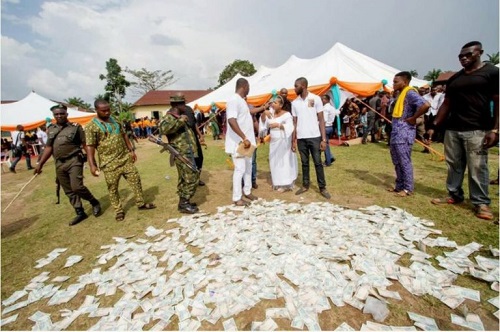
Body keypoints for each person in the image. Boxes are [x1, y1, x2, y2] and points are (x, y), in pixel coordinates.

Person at [431, 41, 499, 221]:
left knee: (477, 166)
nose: (464, 58)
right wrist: (436, 123)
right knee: (453, 164)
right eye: (461, 56)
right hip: (453, 128)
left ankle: (481, 202)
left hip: (477, 128)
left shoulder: (492, 73)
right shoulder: (455, 78)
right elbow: (447, 103)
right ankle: (454, 194)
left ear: (480, 53)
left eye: (468, 55)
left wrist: (495, 129)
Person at [86, 99, 156, 222]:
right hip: (109, 163)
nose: (107, 112)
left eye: (108, 110)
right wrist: (92, 165)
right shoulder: (91, 126)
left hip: (125, 158)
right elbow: (90, 146)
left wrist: (131, 150)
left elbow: (124, 135)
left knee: (135, 180)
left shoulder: (116, 121)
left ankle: (140, 203)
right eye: (104, 111)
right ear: (96, 110)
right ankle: (118, 211)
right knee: (112, 188)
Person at [34, 105, 101, 226]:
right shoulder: (51, 129)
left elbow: (85, 145)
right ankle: (80, 212)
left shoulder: (75, 128)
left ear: (66, 114)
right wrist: (40, 164)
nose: (59, 116)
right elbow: (48, 148)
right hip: (59, 163)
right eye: (56, 114)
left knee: (77, 187)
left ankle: (94, 202)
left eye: (62, 114)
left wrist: (92, 163)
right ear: (54, 116)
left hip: (74, 160)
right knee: (68, 190)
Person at [225, 78, 267, 206]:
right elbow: (231, 120)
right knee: (240, 169)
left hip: (248, 143)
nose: (249, 89)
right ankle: (237, 198)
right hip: (239, 143)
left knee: (248, 167)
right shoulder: (233, 100)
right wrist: (244, 137)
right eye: (248, 87)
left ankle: (247, 191)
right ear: (244, 86)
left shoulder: (242, 101)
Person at [389, 72, 430, 197]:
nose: (393, 84)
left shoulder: (410, 93)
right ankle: (399, 186)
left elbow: (426, 105)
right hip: (396, 132)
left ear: (405, 82)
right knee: (396, 161)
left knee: (404, 161)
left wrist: (413, 118)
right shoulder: (400, 94)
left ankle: (408, 188)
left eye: (396, 82)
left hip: (405, 132)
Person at [291, 77, 331, 199]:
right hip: (301, 138)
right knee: (304, 163)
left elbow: (321, 120)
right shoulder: (294, 103)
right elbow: (294, 122)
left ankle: (322, 187)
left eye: (296, 85)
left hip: (315, 136)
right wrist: (294, 140)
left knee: (318, 163)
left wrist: (324, 139)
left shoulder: (316, 99)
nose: (294, 88)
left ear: (303, 86)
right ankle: (305, 185)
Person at [159, 103, 200, 214]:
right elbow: (164, 129)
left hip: (187, 152)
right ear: (177, 104)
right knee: (191, 177)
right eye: (183, 103)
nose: (185, 105)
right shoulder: (169, 117)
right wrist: (181, 121)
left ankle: (184, 201)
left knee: (185, 178)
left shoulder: (180, 116)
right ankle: (184, 203)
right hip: (181, 153)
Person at [260, 95, 298, 191]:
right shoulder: (270, 113)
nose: (273, 104)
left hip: (283, 140)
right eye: (272, 102)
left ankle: (285, 183)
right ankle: (277, 181)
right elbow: (263, 121)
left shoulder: (287, 115)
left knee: (283, 161)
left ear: (281, 105)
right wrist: (264, 112)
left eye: (275, 103)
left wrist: (279, 125)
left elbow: (290, 127)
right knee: (274, 161)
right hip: (273, 141)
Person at [169, 93, 206, 186]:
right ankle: (188, 182)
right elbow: (169, 131)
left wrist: (200, 135)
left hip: (193, 139)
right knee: (187, 163)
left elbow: (195, 124)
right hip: (183, 143)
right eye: (182, 101)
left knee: (199, 158)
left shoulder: (189, 109)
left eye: (184, 101)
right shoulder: (171, 113)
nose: (184, 103)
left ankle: (197, 178)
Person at [321, 95, 336, 166]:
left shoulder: (325, 108)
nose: (322, 101)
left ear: (327, 100)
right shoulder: (332, 108)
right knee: (326, 144)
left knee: (324, 144)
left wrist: (321, 128)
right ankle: (330, 157)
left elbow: (324, 120)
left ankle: (328, 161)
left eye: (323, 99)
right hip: (330, 127)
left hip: (326, 127)